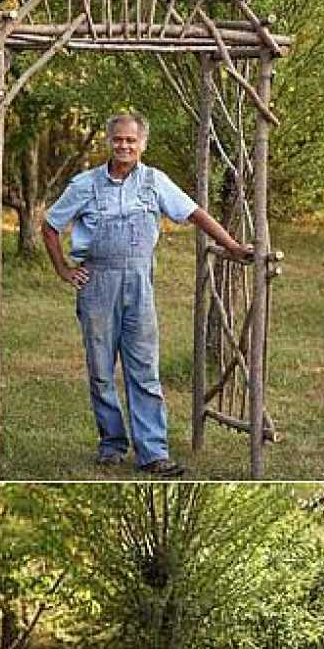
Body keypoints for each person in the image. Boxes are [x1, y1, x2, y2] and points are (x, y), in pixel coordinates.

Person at [42, 109, 253, 474]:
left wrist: (233, 246)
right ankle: (111, 444)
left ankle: (153, 452)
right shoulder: (85, 185)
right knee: (101, 370)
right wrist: (63, 268)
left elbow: (195, 214)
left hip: (139, 284)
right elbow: (49, 225)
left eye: (131, 140)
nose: (124, 146)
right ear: (108, 142)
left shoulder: (155, 182)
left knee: (144, 369)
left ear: (143, 144)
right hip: (97, 285)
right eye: (118, 139)